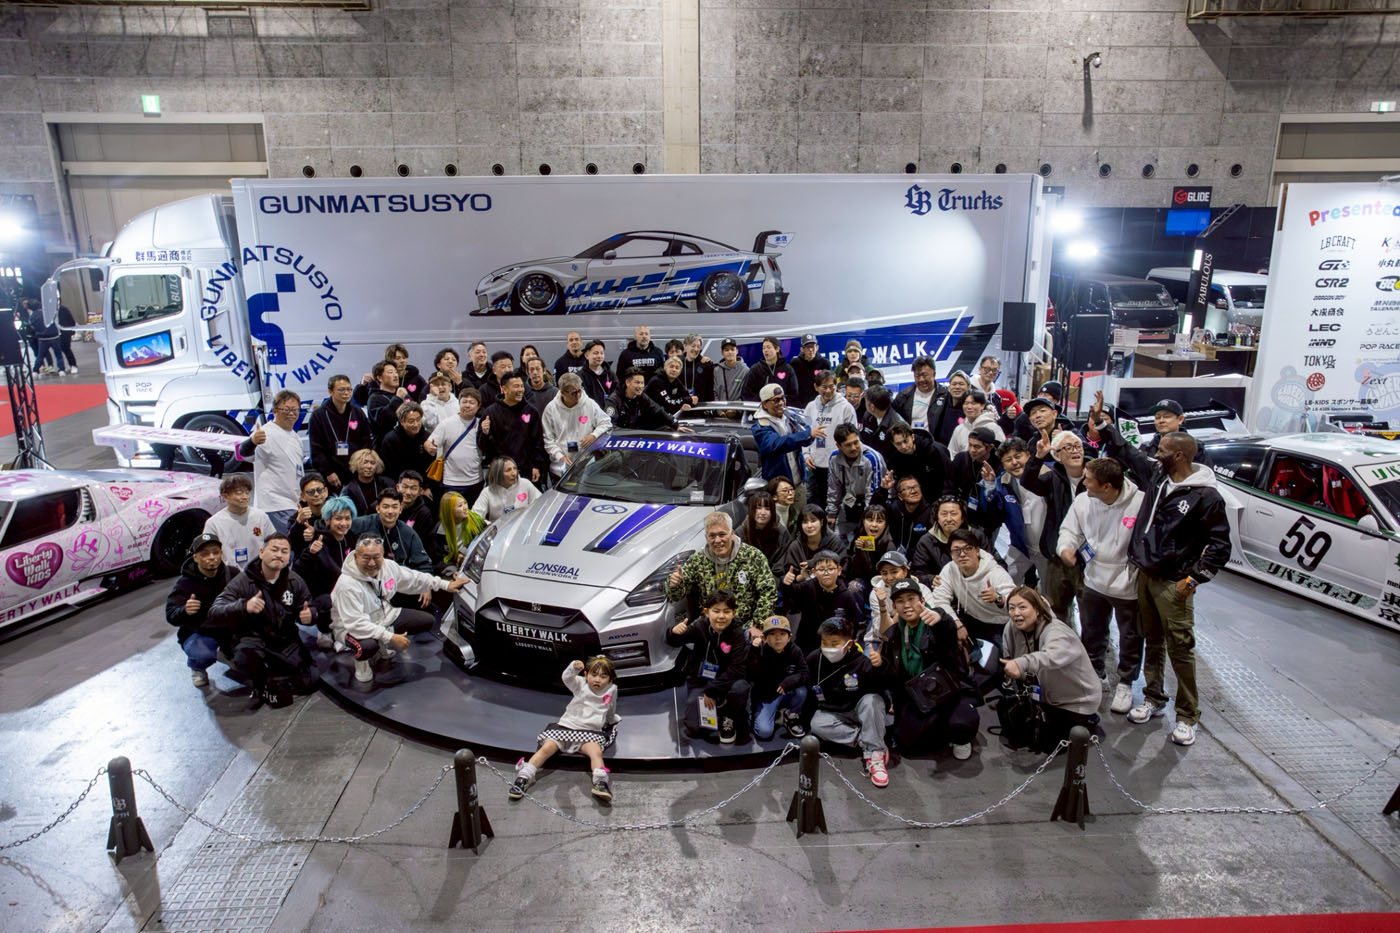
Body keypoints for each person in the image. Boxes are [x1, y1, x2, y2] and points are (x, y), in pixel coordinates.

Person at [1091, 391, 1231, 746]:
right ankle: (1153, 698)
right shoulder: (1158, 477)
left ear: (1179, 456)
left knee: (1180, 649)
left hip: (1174, 582)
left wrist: (1193, 579)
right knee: (1152, 641)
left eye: (1163, 451)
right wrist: (1104, 425)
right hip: (1146, 575)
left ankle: (1187, 715)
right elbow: (1127, 453)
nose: (1156, 454)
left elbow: (1220, 547)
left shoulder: (1206, 497)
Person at [1057, 456, 1144, 714]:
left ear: (1107, 486)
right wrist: (1066, 548)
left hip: (1128, 581)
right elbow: (1070, 529)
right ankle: (1095, 673)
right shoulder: (1083, 500)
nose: (1084, 482)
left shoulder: (1141, 503)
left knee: (1130, 636)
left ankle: (1126, 682)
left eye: (1089, 479)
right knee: (1092, 630)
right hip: (1094, 577)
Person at [330, 533, 468, 685]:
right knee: (367, 646)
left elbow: (414, 578)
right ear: (356, 556)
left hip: (383, 614)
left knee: (427, 620)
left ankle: (381, 644)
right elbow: (356, 624)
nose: (372, 563)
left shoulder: (388, 567)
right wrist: (391, 637)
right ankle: (362, 663)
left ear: (383, 555)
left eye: (376, 557)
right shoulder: (347, 585)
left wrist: (445, 585)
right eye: (366, 557)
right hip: (349, 627)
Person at [873, 579, 978, 759]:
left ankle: (959, 737)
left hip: (950, 693)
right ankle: (937, 730)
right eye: (900, 601)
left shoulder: (934, 621)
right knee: (906, 744)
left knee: (962, 723)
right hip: (920, 695)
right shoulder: (894, 634)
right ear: (894, 607)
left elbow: (948, 632)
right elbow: (895, 678)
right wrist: (881, 664)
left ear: (922, 600)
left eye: (911, 599)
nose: (907, 605)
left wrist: (940, 619)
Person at [209, 534, 315, 709]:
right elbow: (215, 610)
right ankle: (259, 682)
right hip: (254, 638)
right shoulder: (243, 581)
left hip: (284, 638)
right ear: (261, 552)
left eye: (284, 551)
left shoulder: (294, 581)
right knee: (245, 657)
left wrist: (310, 616)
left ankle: (274, 675)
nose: (279, 555)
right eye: (274, 550)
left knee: (311, 681)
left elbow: (308, 606)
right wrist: (244, 606)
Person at [1000, 586, 1102, 744]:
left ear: (1037, 609)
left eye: (1022, 607)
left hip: (1075, 701)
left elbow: (1051, 656)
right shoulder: (1012, 627)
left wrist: (1022, 663)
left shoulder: (1057, 631)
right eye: (1011, 608)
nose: (1016, 613)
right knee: (1012, 722)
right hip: (1045, 695)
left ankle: (1087, 720)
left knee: (1048, 741)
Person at [509, 658, 620, 802]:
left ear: (610, 679)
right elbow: (567, 678)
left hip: (590, 732)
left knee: (596, 752)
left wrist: (611, 719)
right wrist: (573, 668)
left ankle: (600, 782)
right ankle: (524, 777)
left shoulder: (612, 689)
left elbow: (611, 707)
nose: (597, 679)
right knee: (547, 748)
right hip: (567, 726)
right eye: (594, 674)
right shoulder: (580, 684)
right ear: (586, 674)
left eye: (603, 676)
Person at [806, 615, 891, 788]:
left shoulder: (862, 662)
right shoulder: (814, 659)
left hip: (859, 708)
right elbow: (809, 689)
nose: (829, 648)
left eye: (834, 643)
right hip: (833, 711)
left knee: (873, 700)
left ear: (849, 644)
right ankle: (868, 740)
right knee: (816, 724)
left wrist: (881, 666)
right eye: (824, 642)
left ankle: (875, 756)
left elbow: (883, 688)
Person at [666, 511, 778, 633]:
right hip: (710, 625)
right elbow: (676, 596)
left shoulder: (753, 556)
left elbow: (769, 592)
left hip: (744, 626)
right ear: (706, 537)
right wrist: (674, 584)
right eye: (712, 536)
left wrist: (757, 625)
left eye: (722, 534)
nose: (717, 540)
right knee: (678, 636)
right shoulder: (698, 560)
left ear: (732, 534)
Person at [1020, 428, 1090, 621]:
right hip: (1058, 554)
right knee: (1056, 609)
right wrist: (1038, 457)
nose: (1075, 451)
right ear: (1057, 456)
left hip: (1089, 557)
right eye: (1068, 447)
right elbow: (1027, 482)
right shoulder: (1053, 478)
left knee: (1091, 614)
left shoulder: (1095, 474)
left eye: (1078, 446)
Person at [666, 588, 753, 743]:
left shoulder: (738, 633)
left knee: (741, 687)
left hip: (728, 682)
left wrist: (712, 691)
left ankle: (729, 716)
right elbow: (675, 641)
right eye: (716, 611)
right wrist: (674, 632)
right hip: (702, 680)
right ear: (707, 612)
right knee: (694, 729)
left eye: (727, 611)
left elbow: (738, 669)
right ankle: (716, 711)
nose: (721, 616)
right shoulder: (700, 626)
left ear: (734, 613)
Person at [165, 533, 237, 687]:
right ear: (195, 557)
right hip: (201, 632)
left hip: (230, 630)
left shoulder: (232, 574)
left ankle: (229, 654)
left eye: (215, 552)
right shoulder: (185, 583)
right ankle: (197, 667)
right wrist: (185, 610)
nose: (211, 557)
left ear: (221, 553)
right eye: (205, 554)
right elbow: (170, 614)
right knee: (202, 654)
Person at [930, 527, 1015, 649]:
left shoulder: (996, 574)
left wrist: (998, 598)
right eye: (956, 550)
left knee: (1006, 657)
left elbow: (1016, 604)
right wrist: (957, 624)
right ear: (951, 554)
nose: (962, 554)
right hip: (970, 620)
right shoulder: (949, 569)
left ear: (977, 551)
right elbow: (939, 599)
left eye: (967, 549)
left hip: (1000, 624)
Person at [236, 390, 305, 534]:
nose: (291, 413)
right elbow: (243, 452)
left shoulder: (295, 436)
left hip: (292, 502)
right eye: (286, 409)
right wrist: (253, 441)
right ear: (274, 411)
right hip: (274, 505)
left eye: (295, 410)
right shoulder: (265, 432)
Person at [294, 495, 359, 647]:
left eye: (347, 518)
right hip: (322, 596)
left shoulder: (351, 537)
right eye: (338, 518)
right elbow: (297, 571)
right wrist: (309, 553)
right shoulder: (317, 539)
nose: (343, 523)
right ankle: (325, 630)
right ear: (328, 520)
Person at [778, 549, 866, 654]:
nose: (826, 573)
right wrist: (785, 583)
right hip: (807, 645)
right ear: (814, 572)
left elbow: (853, 624)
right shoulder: (808, 587)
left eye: (830, 569)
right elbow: (791, 594)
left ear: (839, 570)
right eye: (821, 569)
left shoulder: (846, 596)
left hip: (835, 646)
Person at [987, 437, 1047, 588]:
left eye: (1018, 456)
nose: (1014, 462)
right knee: (1003, 581)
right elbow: (993, 513)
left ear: (1028, 455)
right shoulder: (1002, 483)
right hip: (1020, 547)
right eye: (1008, 460)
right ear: (1003, 464)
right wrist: (989, 486)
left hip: (1047, 550)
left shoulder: (1048, 475)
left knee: (1049, 592)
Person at [802, 369, 858, 513]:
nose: (828, 391)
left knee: (835, 503)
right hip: (814, 465)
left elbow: (853, 437)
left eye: (831, 386)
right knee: (814, 503)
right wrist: (806, 454)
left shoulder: (846, 407)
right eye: (824, 387)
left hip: (837, 465)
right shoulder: (810, 407)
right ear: (816, 387)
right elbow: (804, 433)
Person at [745, 615, 809, 740]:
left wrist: (789, 682)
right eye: (772, 634)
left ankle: (791, 715)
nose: (778, 638)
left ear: (789, 637)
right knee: (764, 732)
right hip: (766, 696)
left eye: (782, 634)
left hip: (785, 691)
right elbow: (750, 674)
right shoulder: (759, 650)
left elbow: (805, 673)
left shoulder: (795, 650)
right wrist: (754, 652)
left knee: (801, 690)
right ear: (764, 637)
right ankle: (761, 714)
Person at [479, 371, 548, 484]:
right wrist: (484, 433)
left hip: (526, 470)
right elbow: (483, 447)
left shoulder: (531, 411)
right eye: (516, 386)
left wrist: (536, 465)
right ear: (504, 389)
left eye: (521, 386)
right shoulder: (490, 413)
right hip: (500, 471)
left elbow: (538, 441)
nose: (520, 390)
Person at [309, 374, 374, 492]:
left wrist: (362, 465)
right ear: (330, 391)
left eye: (349, 389)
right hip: (331, 473)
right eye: (341, 389)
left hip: (356, 470)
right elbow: (316, 449)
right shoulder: (318, 416)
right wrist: (328, 472)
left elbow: (366, 442)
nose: (346, 393)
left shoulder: (357, 412)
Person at [542, 373, 611, 480]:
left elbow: (606, 422)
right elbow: (548, 440)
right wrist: (560, 456)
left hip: (586, 464)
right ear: (562, 392)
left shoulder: (589, 404)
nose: (578, 395)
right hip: (560, 466)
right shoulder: (550, 409)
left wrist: (594, 435)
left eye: (580, 390)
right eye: (574, 393)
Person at [753, 383, 821, 489]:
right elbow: (776, 444)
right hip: (778, 486)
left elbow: (806, 433)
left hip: (799, 481)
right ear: (764, 404)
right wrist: (805, 435)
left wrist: (808, 435)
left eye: (783, 398)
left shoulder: (789, 416)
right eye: (776, 400)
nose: (781, 403)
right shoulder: (761, 425)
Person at [864, 550, 936, 651]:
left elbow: (931, 622)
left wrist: (900, 613)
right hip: (880, 640)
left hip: (916, 634)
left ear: (905, 571)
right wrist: (883, 606)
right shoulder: (876, 593)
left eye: (894, 572)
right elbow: (884, 635)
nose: (889, 577)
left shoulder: (922, 589)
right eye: (884, 573)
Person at [825, 423, 886, 541]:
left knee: (864, 541)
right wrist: (831, 513)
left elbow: (873, 494)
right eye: (848, 445)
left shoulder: (871, 458)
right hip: (849, 501)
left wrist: (869, 521)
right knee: (836, 537)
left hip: (873, 504)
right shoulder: (834, 458)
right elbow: (833, 488)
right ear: (839, 446)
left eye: (856, 442)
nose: (853, 448)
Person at [350, 489, 433, 574]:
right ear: (378, 508)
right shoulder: (359, 525)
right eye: (385, 507)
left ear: (400, 509)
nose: (390, 511)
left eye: (394, 507)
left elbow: (425, 565)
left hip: (397, 578)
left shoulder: (408, 533)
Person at [425, 387, 484, 502]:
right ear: (459, 403)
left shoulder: (480, 424)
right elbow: (429, 442)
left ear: (478, 405)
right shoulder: (447, 423)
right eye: (464, 402)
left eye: (472, 402)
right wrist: (430, 447)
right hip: (452, 482)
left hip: (476, 480)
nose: (467, 405)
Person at [203, 474, 272, 572]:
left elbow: (273, 543)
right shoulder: (213, 523)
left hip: (260, 572)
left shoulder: (261, 516)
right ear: (225, 496)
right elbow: (209, 552)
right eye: (239, 493)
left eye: (247, 492)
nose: (245, 497)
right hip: (229, 574)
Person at [884, 422, 952, 503]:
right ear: (893, 444)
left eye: (906, 441)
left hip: (938, 498)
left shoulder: (935, 450)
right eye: (898, 444)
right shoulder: (894, 457)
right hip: (912, 501)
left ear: (912, 437)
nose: (903, 446)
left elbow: (949, 480)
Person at [605, 367, 682, 431]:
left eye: (642, 383)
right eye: (637, 383)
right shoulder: (613, 400)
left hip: (636, 434)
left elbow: (658, 410)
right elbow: (610, 426)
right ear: (628, 382)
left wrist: (676, 426)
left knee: (667, 429)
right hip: (620, 437)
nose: (640, 386)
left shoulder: (642, 396)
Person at [1137, 398, 1212, 465]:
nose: (1161, 420)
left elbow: (1206, 474)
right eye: (1157, 417)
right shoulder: (1146, 449)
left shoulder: (1196, 449)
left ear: (1180, 419)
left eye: (1166, 416)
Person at [910, 496, 966, 585]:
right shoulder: (926, 541)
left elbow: (989, 564)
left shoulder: (977, 537)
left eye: (953, 514)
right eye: (944, 514)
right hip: (940, 587)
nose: (949, 519)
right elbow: (917, 574)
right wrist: (931, 579)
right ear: (937, 517)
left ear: (962, 518)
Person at [843, 505, 894, 602]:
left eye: (879, 521)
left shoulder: (889, 545)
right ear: (863, 521)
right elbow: (856, 572)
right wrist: (859, 551)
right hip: (864, 582)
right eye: (870, 520)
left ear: (885, 524)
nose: (874, 525)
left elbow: (882, 574)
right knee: (854, 586)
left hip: (884, 584)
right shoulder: (859, 538)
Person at [377, 401, 434, 484]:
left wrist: (426, 486)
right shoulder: (391, 440)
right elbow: (389, 470)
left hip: (422, 484)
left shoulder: (427, 438)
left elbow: (431, 467)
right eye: (411, 421)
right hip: (399, 484)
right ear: (401, 422)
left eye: (418, 420)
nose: (416, 424)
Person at [779, 505, 846, 574]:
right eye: (805, 522)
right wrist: (799, 577)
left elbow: (842, 569)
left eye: (813, 521)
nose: (809, 526)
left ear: (821, 522)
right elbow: (789, 573)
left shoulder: (834, 542)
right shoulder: (796, 546)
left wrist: (813, 563)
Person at [472, 456, 541, 522]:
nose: (514, 473)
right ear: (498, 474)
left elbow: (541, 504)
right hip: (498, 528)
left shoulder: (525, 483)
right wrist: (491, 526)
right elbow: (475, 517)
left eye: (515, 468)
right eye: (508, 470)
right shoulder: (487, 491)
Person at [736, 490, 791, 572]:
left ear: (772, 512)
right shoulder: (740, 533)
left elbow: (784, 562)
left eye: (767, 509)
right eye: (758, 508)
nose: (763, 513)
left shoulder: (782, 533)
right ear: (751, 510)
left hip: (774, 576)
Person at [886, 475, 934, 556]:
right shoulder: (894, 509)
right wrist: (882, 490)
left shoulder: (931, 512)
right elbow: (873, 510)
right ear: (900, 496)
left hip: (921, 557)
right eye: (908, 488)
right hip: (895, 555)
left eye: (916, 487)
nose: (913, 491)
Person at [740, 336, 798, 402]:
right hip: (761, 406)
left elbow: (793, 394)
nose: (765, 350)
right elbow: (746, 393)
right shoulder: (756, 369)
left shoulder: (787, 369)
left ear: (777, 349)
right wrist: (764, 403)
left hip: (781, 406)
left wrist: (780, 402)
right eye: (763, 348)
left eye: (768, 347)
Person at [948, 388, 1004, 456]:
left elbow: (1002, 453)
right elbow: (951, 453)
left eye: (973, 403)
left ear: (982, 405)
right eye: (966, 403)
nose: (969, 407)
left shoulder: (993, 428)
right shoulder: (959, 429)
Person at [893, 356, 943, 432]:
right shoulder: (903, 396)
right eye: (917, 376)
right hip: (911, 438)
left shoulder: (945, 395)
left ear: (934, 374)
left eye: (925, 375)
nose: (921, 379)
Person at [857, 384, 905, 462]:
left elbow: (899, 454)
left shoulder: (896, 425)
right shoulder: (868, 415)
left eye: (865, 401)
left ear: (872, 406)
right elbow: (864, 438)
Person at [437, 491, 485, 567]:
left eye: (465, 503)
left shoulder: (475, 520)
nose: (465, 508)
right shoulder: (439, 532)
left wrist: (464, 551)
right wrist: (452, 571)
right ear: (449, 511)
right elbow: (438, 560)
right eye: (460, 506)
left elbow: (483, 540)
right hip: (452, 566)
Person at [344, 448, 395, 518]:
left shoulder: (387, 484)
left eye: (372, 463)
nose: (369, 466)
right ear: (356, 465)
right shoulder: (349, 489)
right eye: (365, 462)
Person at [288, 473, 330, 557]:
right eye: (311, 492)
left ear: (326, 491)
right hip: (307, 561)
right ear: (303, 496)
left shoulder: (335, 512)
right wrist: (298, 524)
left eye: (319, 490)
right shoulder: (296, 518)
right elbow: (290, 545)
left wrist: (315, 533)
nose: (316, 494)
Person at [927, 370, 971, 446]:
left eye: (961, 384)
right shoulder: (941, 403)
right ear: (949, 387)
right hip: (940, 448)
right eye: (954, 384)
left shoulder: (972, 407)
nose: (957, 387)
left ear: (969, 387)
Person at [788, 333, 824, 409]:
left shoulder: (824, 363)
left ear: (817, 347)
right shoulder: (795, 363)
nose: (810, 350)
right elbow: (791, 385)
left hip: (819, 404)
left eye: (812, 346)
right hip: (800, 405)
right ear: (802, 349)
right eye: (807, 347)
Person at [396, 470, 434, 538]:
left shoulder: (424, 513)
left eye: (413, 488)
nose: (408, 492)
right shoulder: (388, 504)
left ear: (420, 491)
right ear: (398, 487)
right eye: (405, 487)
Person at [679, 333, 714, 406]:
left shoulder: (706, 364)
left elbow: (710, 389)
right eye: (693, 346)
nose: (696, 349)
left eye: (698, 346)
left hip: (701, 406)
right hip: (681, 405)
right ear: (685, 346)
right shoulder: (677, 363)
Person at [579, 340, 616, 407]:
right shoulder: (581, 376)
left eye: (602, 353)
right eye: (596, 353)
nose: (599, 356)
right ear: (587, 355)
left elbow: (617, 393)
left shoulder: (610, 374)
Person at [712, 337, 749, 402]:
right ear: (722, 352)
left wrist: (735, 407)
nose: (730, 352)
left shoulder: (745, 370)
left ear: (737, 351)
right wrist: (719, 408)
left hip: (738, 407)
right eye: (726, 350)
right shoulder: (717, 370)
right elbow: (715, 392)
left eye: (732, 349)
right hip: (720, 407)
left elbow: (746, 394)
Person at [55, 303, 79, 374]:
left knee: (66, 348)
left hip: (64, 332)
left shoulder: (63, 309)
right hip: (55, 333)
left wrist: (71, 330)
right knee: (59, 350)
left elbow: (71, 320)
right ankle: (61, 367)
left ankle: (73, 365)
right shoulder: (50, 311)